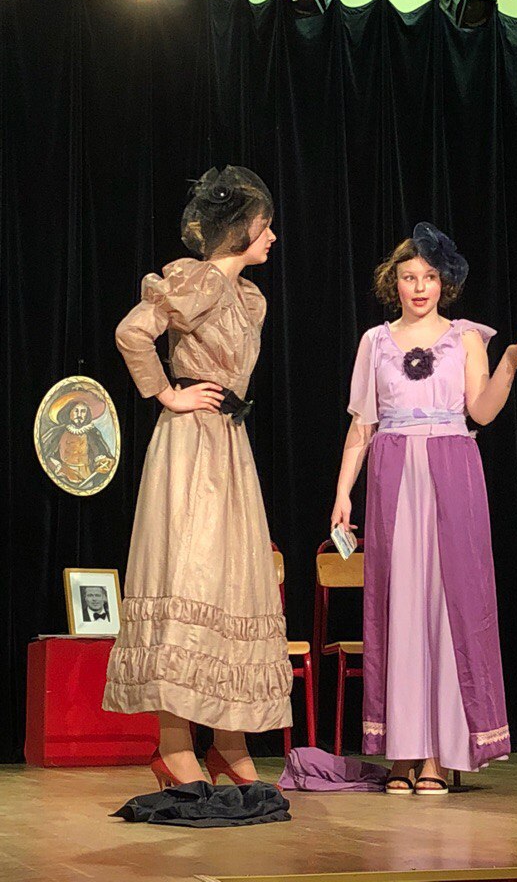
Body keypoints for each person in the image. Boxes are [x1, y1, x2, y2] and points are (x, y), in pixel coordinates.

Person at [331, 222, 517, 796]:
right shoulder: (375, 342)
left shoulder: (465, 338)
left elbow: (482, 412)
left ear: (443, 283)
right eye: (409, 277)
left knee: (450, 605)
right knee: (401, 607)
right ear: (394, 283)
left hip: (452, 469)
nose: (419, 287)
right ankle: (403, 753)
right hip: (394, 471)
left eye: (429, 277)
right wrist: (342, 493)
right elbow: (361, 425)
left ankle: (439, 754)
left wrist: (509, 363)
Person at [103, 166, 292, 789]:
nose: (272, 237)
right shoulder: (198, 279)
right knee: (188, 575)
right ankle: (174, 744)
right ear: (242, 228)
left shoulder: (248, 296)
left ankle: (229, 744)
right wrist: (167, 393)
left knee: (232, 585)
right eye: (265, 225)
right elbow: (132, 332)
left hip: (230, 447)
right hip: (191, 447)